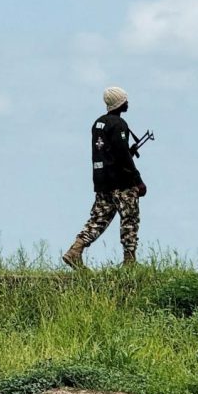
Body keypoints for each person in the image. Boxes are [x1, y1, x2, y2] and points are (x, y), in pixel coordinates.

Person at [62, 86, 147, 268]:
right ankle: (129, 261)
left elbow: (108, 153)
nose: (127, 103)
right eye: (125, 100)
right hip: (122, 183)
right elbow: (122, 156)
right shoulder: (119, 125)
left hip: (103, 182)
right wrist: (138, 180)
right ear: (120, 103)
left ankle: (75, 250)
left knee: (98, 218)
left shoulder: (98, 123)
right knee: (130, 218)